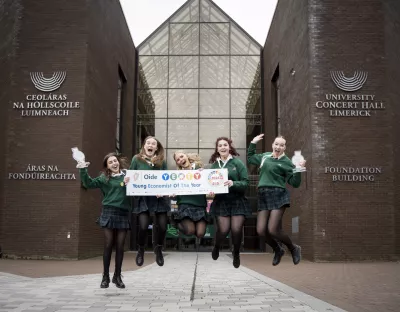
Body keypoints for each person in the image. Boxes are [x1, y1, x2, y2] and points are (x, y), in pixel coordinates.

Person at [247, 134, 305, 266]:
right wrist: (253, 143)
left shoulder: (287, 163)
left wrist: (298, 169)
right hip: (263, 195)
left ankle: (293, 248)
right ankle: (278, 249)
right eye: (276, 144)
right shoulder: (265, 156)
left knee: (272, 229)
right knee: (261, 230)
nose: (278, 146)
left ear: (285, 147)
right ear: (273, 145)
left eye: (281, 145)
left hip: (278, 194)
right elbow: (250, 158)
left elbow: (295, 183)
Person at [77, 152, 130, 289]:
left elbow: (142, 187)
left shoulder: (128, 176)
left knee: (120, 246)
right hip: (108, 212)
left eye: (115, 161)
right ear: (107, 166)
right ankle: (105, 277)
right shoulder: (104, 178)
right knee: (108, 244)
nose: (114, 163)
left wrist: (129, 183)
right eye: (110, 162)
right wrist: (83, 168)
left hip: (123, 213)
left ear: (119, 162)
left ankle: (117, 277)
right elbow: (88, 183)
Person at [209, 137, 250, 268]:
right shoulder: (214, 166)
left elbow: (246, 183)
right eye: (220, 145)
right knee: (223, 230)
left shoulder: (238, 163)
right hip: (221, 201)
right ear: (217, 149)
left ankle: (236, 253)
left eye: (225, 145)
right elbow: (209, 182)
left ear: (229, 147)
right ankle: (216, 246)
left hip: (237, 200)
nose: (222, 147)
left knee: (236, 230)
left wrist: (234, 183)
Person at [128, 136, 169, 267]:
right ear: (144, 146)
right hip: (143, 199)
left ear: (156, 148)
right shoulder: (136, 159)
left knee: (162, 227)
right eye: (148, 143)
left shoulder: (161, 161)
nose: (150, 145)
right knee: (144, 227)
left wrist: (162, 190)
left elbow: (166, 179)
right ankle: (140, 250)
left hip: (159, 199)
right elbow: (131, 176)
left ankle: (159, 249)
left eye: (153, 144)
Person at [171, 151, 207, 242]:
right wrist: (173, 212)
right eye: (178, 160)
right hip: (185, 205)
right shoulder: (178, 176)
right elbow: (174, 197)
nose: (180, 160)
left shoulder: (200, 170)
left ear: (186, 156)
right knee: (190, 231)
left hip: (200, 205)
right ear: (177, 163)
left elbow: (208, 184)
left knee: (200, 233)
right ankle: (178, 223)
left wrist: (204, 175)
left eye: (182, 156)